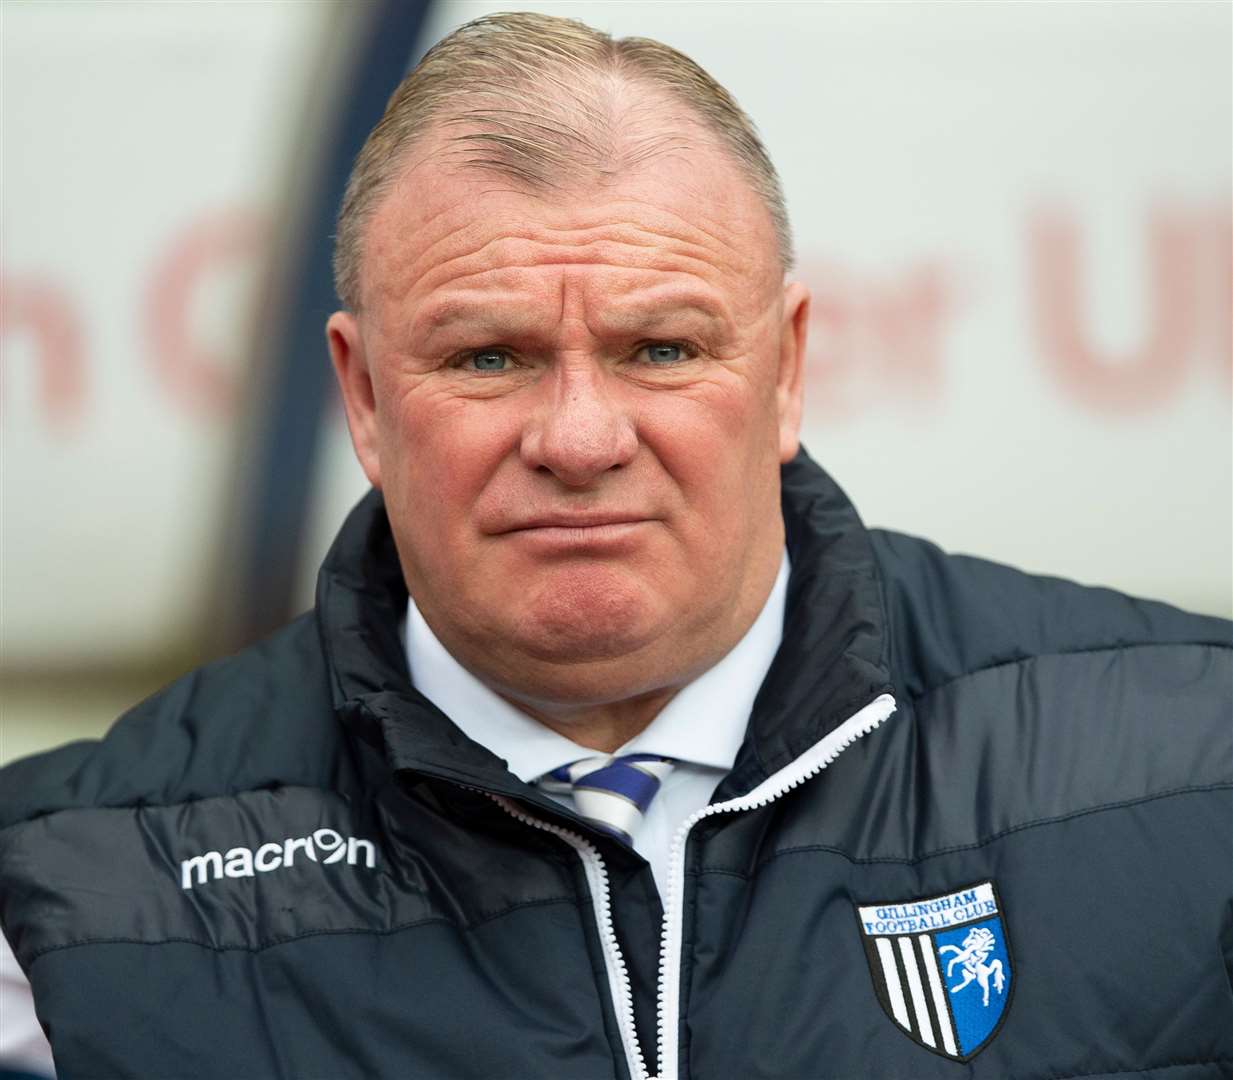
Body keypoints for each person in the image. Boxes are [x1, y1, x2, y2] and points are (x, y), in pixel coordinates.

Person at [1, 12, 1230, 1080]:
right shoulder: (66, 898)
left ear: (788, 368)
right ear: (364, 398)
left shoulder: (1193, 762)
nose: (581, 439)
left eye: (663, 350)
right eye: (489, 357)